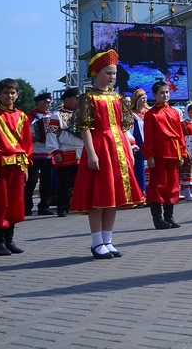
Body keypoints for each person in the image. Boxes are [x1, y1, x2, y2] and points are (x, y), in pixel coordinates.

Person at [71, 51, 143, 259]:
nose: (112, 76)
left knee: (113, 197)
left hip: (117, 149)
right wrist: (92, 154)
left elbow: (123, 127)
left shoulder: (119, 98)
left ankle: (108, 240)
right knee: (99, 196)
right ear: (96, 73)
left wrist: (129, 149)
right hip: (100, 148)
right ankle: (96, 243)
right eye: (107, 72)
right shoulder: (88, 98)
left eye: (114, 73)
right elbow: (85, 128)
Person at [0, 79, 32, 256]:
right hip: (0, 165)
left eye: (12, 93)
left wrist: (26, 165)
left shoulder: (23, 116)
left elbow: (27, 143)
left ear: (17, 94)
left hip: (17, 165)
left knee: (14, 204)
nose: (9, 96)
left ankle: (10, 240)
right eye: (5, 93)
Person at [142, 80, 186, 229]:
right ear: (154, 95)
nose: (165, 95)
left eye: (167, 92)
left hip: (173, 152)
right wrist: (149, 155)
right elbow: (148, 136)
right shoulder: (150, 114)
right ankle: (157, 219)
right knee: (157, 186)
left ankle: (169, 216)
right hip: (159, 154)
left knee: (172, 186)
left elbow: (180, 134)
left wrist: (183, 153)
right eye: (162, 92)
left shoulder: (174, 112)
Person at [46, 88, 83, 217]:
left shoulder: (83, 113)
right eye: (76, 98)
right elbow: (51, 134)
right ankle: (62, 207)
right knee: (64, 182)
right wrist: (55, 151)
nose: (78, 101)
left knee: (83, 181)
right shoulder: (57, 115)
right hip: (66, 151)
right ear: (67, 100)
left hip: (82, 150)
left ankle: (83, 205)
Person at [25, 92, 55, 216]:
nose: (48, 105)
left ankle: (44, 206)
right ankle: (26, 207)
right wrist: (33, 138)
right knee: (31, 181)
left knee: (47, 181)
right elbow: (23, 134)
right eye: (46, 102)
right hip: (34, 153)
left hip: (48, 154)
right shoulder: (29, 117)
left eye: (49, 103)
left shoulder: (52, 116)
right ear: (38, 103)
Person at [129, 89, 149, 198]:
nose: (145, 100)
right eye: (142, 98)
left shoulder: (148, 112)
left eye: (145, 98)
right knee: (139, 168)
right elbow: (130, 130)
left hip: (148, 143)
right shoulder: (132, 114)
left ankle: (151, 194)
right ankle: (140, 194)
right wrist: (132, 144)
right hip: (139, 144)